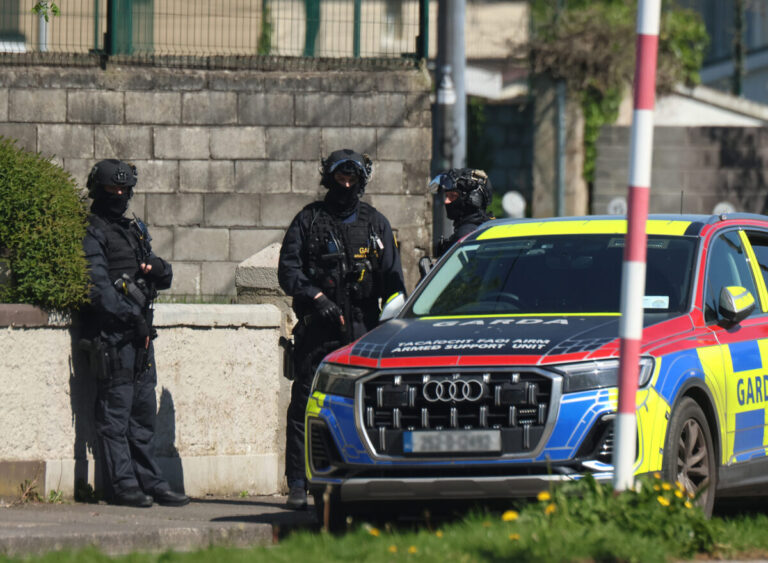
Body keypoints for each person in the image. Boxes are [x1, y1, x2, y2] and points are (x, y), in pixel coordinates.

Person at [278, 148, 406, 509]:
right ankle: (299, 484)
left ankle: (368, 478)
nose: (346, 185)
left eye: (352, 179)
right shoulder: (308, 220)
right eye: (340, 178)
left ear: (362, 181)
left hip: (364, 331)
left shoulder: (376, 223)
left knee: (370, 405)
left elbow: (395, 284)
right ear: (329, 178)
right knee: (305, 405)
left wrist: (391, 329)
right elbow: (288, 272)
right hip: (318, 331)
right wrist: (316, 298)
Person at [80, 159, 189, 508]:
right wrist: (131, 319)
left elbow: (160, 273)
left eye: (123, 190)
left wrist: (159, 269)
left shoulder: (133, 230)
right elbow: (99, 290)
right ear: (97, 190)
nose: (118, 195)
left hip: (141, 336)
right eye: (111, 189)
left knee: (143, 414)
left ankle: (151, 481)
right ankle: (123, 485)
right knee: (116, 414)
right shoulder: (92, 230)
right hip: (114, 337)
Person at [430, 168, 493, 257]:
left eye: (452, 196)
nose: (446, 201)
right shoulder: (486, 226)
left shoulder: (466, 237)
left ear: (473, 199)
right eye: (446, 196)